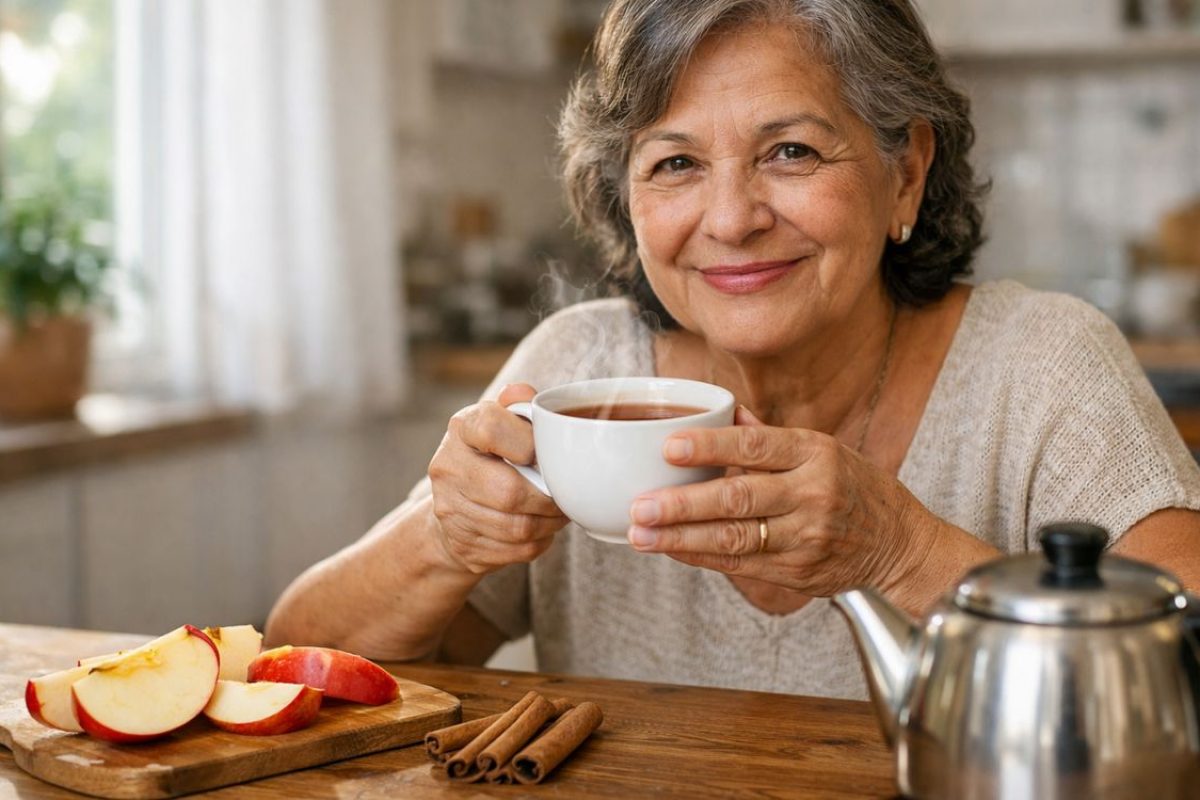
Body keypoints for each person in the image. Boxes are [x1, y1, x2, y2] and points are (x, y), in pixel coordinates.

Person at [265, 0, 1200, 699]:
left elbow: (1184, 662)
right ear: (625, 201)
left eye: (790, 151)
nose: (731, 218)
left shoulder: (1041, 361)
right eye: (674, 164)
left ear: (906, 171)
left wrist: (902, 550)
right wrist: (445, 535)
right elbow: (302, 668)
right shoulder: (576, 375)